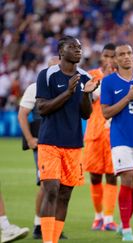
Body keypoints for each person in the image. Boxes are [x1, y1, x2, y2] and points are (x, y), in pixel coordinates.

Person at [36, 36, 98, 243]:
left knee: (64, 194)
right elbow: (42, 108)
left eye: (80, 47)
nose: (79, 50)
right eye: (73, 47)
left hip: (73, 144)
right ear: (61, 52)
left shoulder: (85, 76)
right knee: (51, 189)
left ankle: (53, 239)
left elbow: (86, 114)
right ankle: (47, 240)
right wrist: (69, 92)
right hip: (50, 141)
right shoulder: (47, 75)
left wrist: (84, 95)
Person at [100, 43, 133, 242]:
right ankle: (128, 230)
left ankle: (124, 223)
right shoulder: (108, 82)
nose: (126, 57)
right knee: (127, 179)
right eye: (121, 54)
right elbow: (106, 113)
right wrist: (128, 97)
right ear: (115, 59)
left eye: (129, 53)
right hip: (120, 138)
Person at [17, 56, 61, 239]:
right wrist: (29, 139)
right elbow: (22, 114)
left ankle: (53, 226)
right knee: (46, 184)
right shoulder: (35, 88)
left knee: (59, 187)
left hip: (63, 142)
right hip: (43, 142)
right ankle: (38, 225)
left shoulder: (67, 86)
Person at [82, 43, 118, 231]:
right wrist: (92, 92)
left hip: (114, 133)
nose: (109, 59)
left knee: (112, 175)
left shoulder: (121, 78)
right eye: (107, 55)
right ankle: (97, 217)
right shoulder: (91, 75)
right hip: (95, 131)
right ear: (102, 56)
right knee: (95, 176)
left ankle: (109, 217)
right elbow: (83, 101)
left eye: (113, 56)